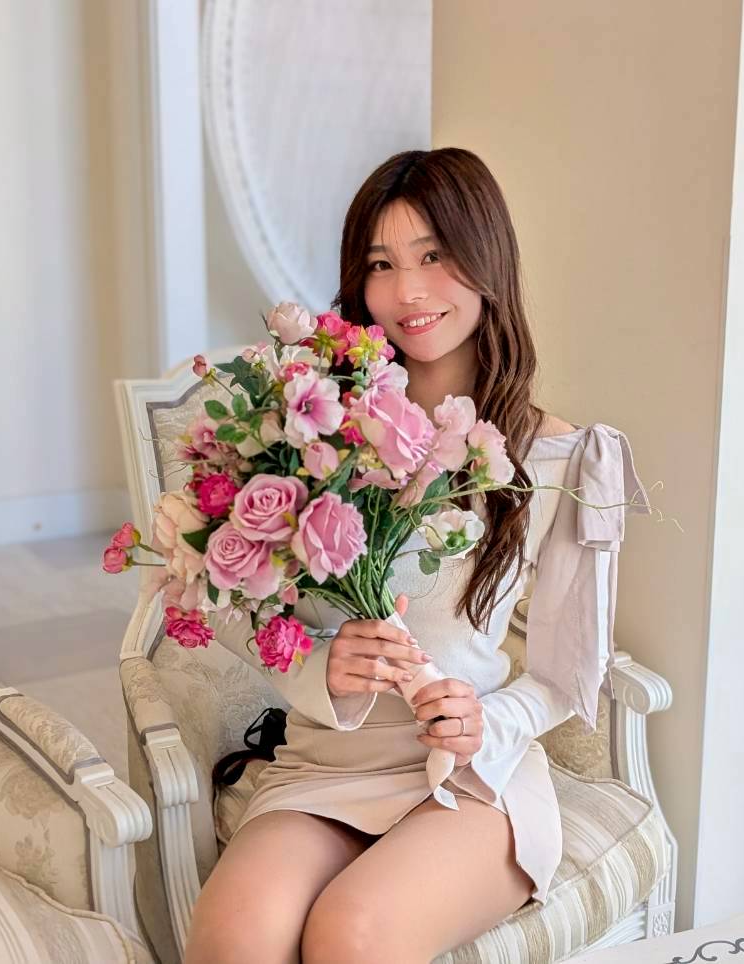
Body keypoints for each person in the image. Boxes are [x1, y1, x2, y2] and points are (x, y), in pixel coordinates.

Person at [184, 147, 647, 964]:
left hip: (470, 773)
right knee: (234, 939)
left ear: (486, 259)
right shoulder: (308, 430)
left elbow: (567, 672)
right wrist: (321, 667)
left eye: (434, 256)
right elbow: (225, 601)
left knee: (352, 933)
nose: (408, 292)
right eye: (381, 265)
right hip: (326, 762)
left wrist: (485, 720)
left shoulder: (563, 459)